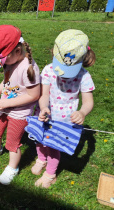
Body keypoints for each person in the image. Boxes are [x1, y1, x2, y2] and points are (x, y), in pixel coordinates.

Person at [33, 29, 95, 188]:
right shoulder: (48, 70)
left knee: (54, 147)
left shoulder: (84, 76)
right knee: (39, 140)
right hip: (46, 114)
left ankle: (50, 174)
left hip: (65, 120)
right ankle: (41, 158)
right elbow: (44, 94)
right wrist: (43, 107)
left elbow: (88, 102)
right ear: (54, 53)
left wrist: (82, 112)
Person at [0, 25, 40, 185]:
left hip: (19, 113)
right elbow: (7, 80)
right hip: (4, 106)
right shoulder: (12, 60)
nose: (2, 63)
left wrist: (7, 102)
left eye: (3, 59)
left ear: (18, 51)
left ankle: (12, 168)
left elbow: (34, 95)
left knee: (12, 143)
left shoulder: (29, 69)